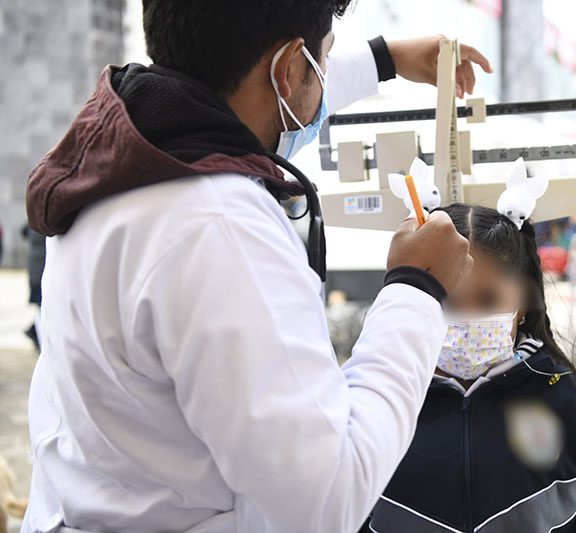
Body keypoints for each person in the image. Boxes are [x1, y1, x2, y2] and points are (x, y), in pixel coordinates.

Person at [21, 1, 494, 531]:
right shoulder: (219, 230)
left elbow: (274, 94)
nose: (324, 82)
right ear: (289, 67)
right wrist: (416, 288)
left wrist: (385, 59)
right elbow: (329, 498)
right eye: (322, 61)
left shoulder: (123, 152)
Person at [360, 203, 576, 533]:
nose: (467, 317)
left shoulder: (571, 405)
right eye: (447, 302)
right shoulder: (380, 405)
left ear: (522, 302)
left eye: (488, 300)